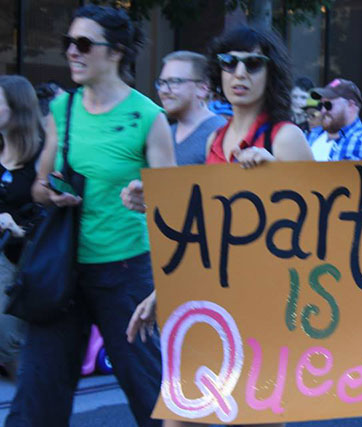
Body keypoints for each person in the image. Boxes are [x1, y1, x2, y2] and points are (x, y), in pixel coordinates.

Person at [125, 25, 312, 427]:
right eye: (229, 63)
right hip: (211, 309)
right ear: (218, 73)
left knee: (251, 421)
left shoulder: (285, 136)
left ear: (270, 72)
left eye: (253, 64)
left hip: (265, 311)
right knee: (181, 419)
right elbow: (209, 232)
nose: (239, 73)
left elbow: (322, 219)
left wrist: (276, 173)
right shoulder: (217, 140)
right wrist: (165, 287)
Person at [6, 5, 175, 426]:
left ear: (115, 52)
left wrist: (148, 197)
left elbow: (177, 205)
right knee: (37, 395)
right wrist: (53, 193)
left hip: (125, 273)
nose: (72, 53)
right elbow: (39, 187)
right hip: (62, 270)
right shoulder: (62, 110)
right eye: (68, 44)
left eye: (83, 44)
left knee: (149, 391)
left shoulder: (147, 116)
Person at [0, 76, 44, 380]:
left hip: (20, 258)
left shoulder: (43, 155)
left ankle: (32, 403)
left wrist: (20, 230)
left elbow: (59, 211)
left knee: (6, 341)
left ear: (16, 108)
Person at [156, 50, 226, 165]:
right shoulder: (165, 133)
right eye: (162, 83)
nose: (163, 90)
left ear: (202, 89)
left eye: (174, 81)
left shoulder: (220, 133)